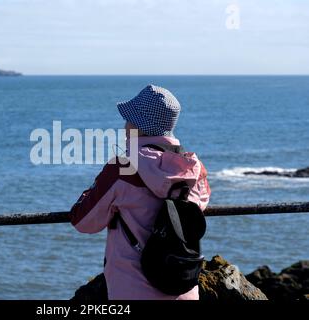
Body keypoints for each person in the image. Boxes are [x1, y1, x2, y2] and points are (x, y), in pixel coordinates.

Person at [69, 84, 211, 300]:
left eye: (129, 120)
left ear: (138, 126)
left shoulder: (123, 168)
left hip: (132, 291)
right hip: (183, 288)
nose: (125, 126)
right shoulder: (193, 168)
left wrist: (91, 191)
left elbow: (84, 222)